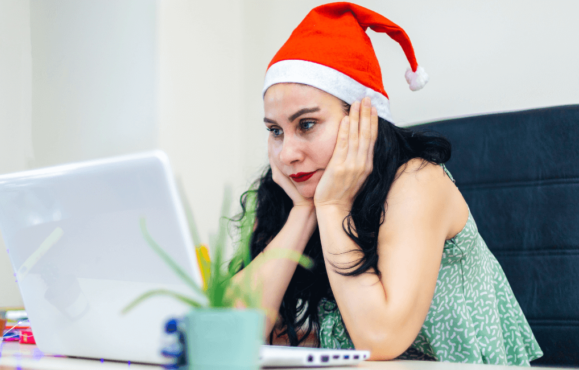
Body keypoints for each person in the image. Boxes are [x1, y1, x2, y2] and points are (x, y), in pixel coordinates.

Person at [230, 2, 543, 365]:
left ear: (364, 119)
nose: (287, 154)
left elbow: (380, 338)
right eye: (275, 131)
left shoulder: (415, 182)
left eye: (307, 124)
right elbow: (230, 328)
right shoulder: (292, 192)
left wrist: (332, 207)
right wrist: (303, 213)